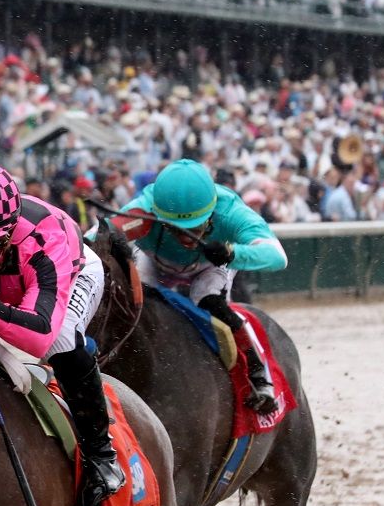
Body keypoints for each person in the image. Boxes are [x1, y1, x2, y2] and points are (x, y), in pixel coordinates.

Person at [0, 159, 125, 506]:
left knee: (64, 342)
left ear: (4, 239)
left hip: (73, 274)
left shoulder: (43, 241)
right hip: (2, 284)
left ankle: (101, 454)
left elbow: (39, 336)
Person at [114, 158, 287, 414]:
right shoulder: (142, 208)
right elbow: (95, 237)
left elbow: (277, 257)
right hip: (153, 261)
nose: (185, 236)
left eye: (194, 226)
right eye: (174, 227)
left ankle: (259, 374)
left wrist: (231, 252)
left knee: (208, 301)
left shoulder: (230, 211)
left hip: (211, 265)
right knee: (136, 304)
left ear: (212, 212)